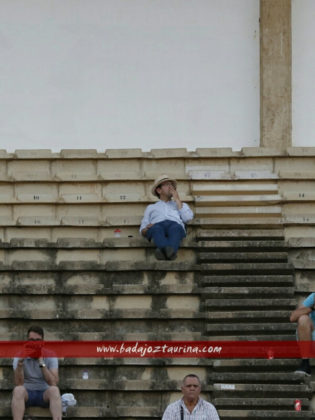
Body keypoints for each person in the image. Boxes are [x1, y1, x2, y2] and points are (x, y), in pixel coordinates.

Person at [11, 325, 62, 420]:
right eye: (31, 340)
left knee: (55, 390)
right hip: (26, 394)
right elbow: (19, 383)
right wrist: (20, 364)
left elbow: (53, 382)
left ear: (42, 342)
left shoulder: (51, 355)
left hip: (44, 394)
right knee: (18, 390)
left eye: (38, 340)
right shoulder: (19, 356)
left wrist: (41, 361)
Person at [140, 175, 193, 260]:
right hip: (157, 226)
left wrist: (178, 200)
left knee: (175, 227)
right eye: (167, 185)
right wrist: (147, 229)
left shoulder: (181, 205)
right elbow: (143, 228)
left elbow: (187, 219)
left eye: (172, 185)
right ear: (159, 190)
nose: (171, 187)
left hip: (175, 226)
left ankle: (162, 251)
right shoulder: (151, 207)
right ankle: (170, 253)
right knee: (157, 228)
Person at [290, 292, 315, 376]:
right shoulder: (313, 297)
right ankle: (305, 363)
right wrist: (312, 307)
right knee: (303, 318)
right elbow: (293, 317)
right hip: (311, 339)